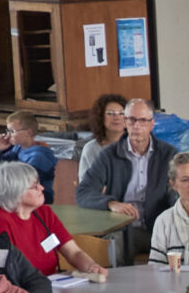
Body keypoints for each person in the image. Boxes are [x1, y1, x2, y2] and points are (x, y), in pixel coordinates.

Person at [75, 97, 179, 240]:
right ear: (125, 122)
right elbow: (83, 192)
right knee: (113, 245)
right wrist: (110, 203)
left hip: (159, 229)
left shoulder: (168, 154)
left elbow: (179, 191)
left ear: (152, 124)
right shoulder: (109, 155)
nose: (137, 126)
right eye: (132, 120)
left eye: (143, 120)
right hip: (121, 229)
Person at [0, 162, 105, 282]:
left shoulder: (44, 213)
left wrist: (91, 267)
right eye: (34, 186)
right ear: (15, 192)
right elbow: (0, 271)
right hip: (20, 288)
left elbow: (73, 252)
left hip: (52, 284)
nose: (42, 188)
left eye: (39, 183)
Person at [0, 111, 58, 192]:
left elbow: (25, 183)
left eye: (12, 131)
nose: (8, 135)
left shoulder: (38, 156)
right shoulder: (18, 148)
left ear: (29, 132)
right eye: (8, 131)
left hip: (39, 196)